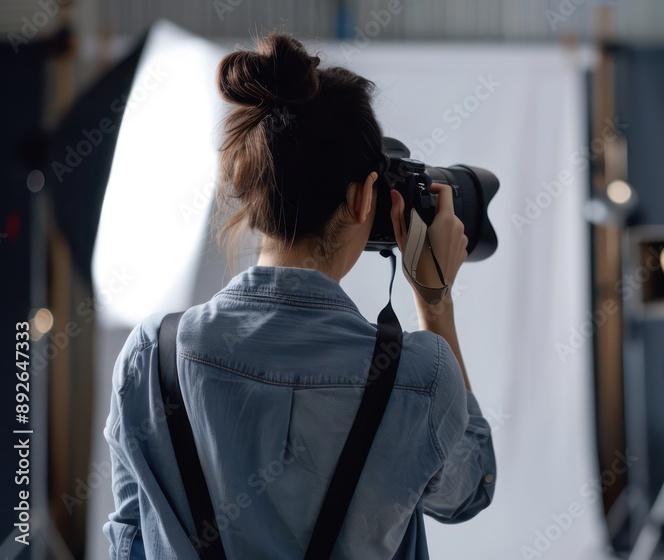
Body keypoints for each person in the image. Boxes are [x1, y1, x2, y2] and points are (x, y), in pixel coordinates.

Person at [103, 32, 495, 559]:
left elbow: (129, 536)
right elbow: (469, 489)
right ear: (363, 199)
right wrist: (434, 302)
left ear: (250, 188)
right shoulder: (418, 375)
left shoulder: (154, 355)